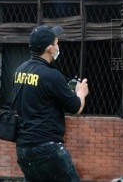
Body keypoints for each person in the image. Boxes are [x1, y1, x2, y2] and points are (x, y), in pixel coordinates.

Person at [13, 25, 89, 182]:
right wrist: (81, 93)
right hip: (48, 149)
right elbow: (76, 107)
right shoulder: (52, 76)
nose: (58, 47)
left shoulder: (20, 70)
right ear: (50, 49)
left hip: (23, 149)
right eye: (56, 43)